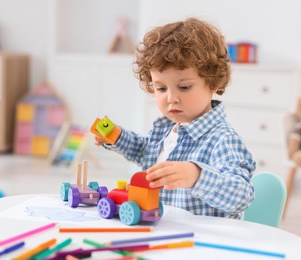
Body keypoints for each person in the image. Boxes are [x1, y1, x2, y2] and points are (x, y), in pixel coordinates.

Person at [93, 17, 256, 219]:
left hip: (204, 243)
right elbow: (146, 153)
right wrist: (116, 137)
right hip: (163, 233)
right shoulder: (166, 128)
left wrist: (197, 176)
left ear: (213, 82)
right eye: (161, 88)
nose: (171, 98)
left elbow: (241, 196)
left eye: (184, 87)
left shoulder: (223, 140)